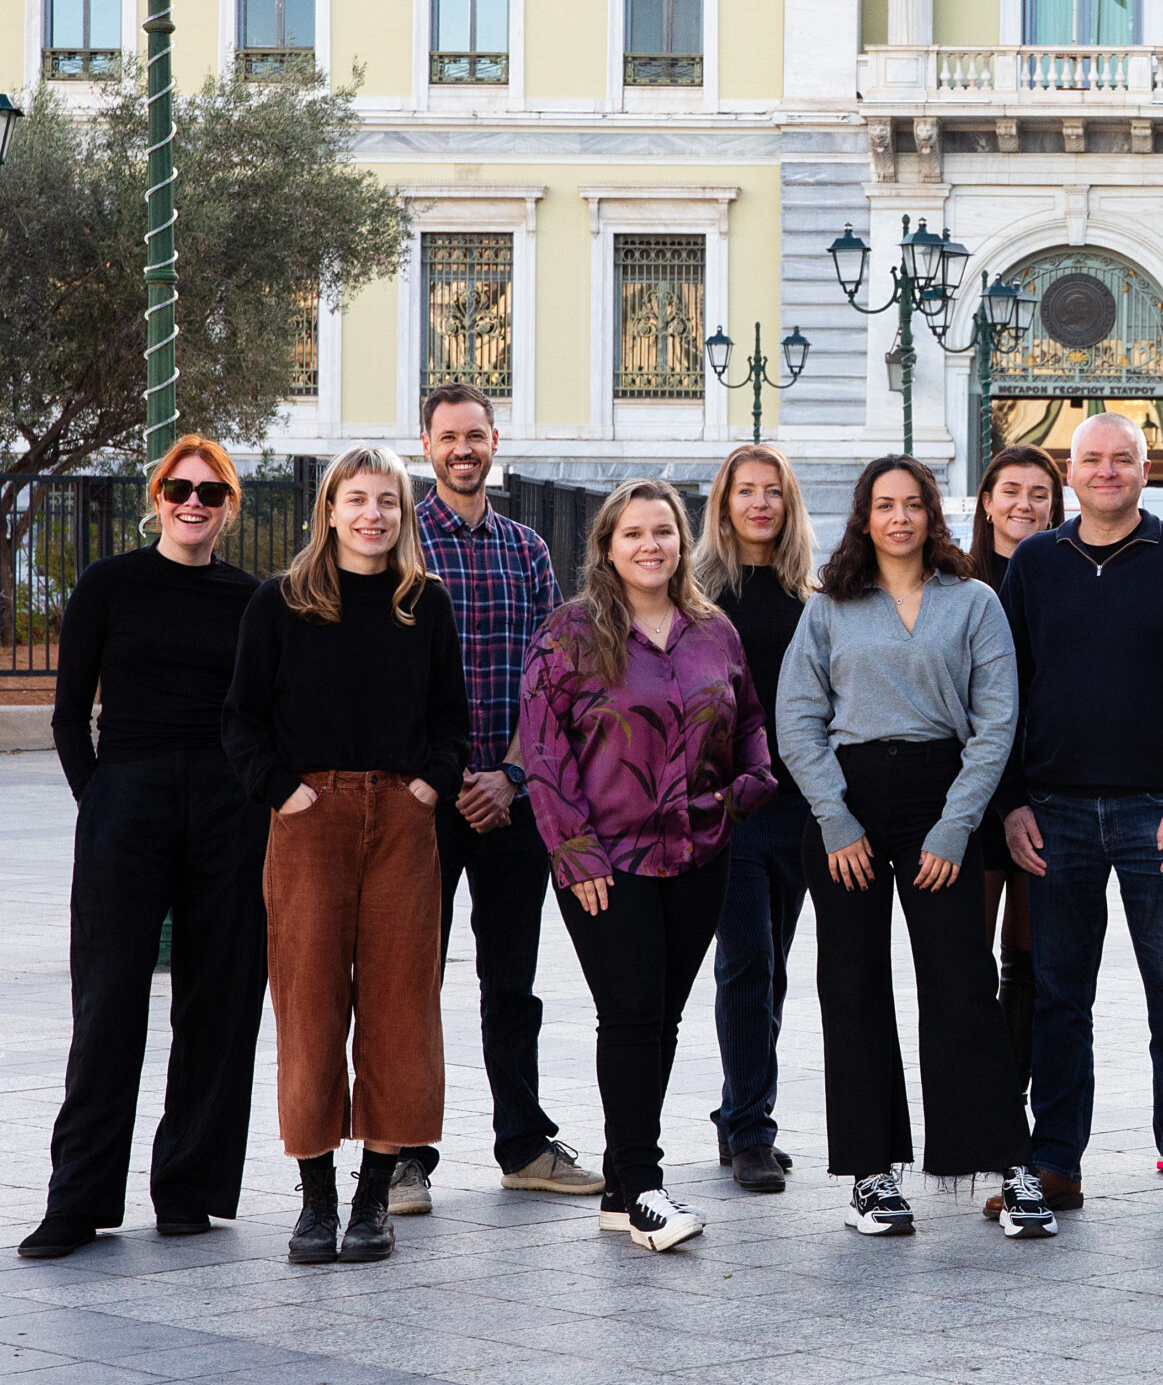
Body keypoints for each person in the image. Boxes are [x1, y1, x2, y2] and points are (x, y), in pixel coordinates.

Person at [776, 456, 1050, 1240]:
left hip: (943, 794)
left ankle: (1006, 1161)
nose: (900, 517)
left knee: (962, 981)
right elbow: (797, 717)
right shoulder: (830, 608)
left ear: (934, 515)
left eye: (914, 504)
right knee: (853, 983)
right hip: (848, 798)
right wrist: (834, 816)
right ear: (864, 517)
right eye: (884, 505)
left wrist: (957, 822)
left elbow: (998, 721)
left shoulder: (975, 602)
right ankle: (871, 1173)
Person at [21, 438, 268, 1261]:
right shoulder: (109, 584)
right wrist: (103, 796)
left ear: (230, 504)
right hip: (128, 797)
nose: (193, 502)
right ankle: (78, 1199)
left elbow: (269, 712)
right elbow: (66, 715)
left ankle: (188, 1189)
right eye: (178, 487)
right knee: (109, 1000)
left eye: (210, 490)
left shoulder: (253, 598)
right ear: (157, 496)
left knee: (219, 999)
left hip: (230, 806)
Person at [223, 446, 468, 1265]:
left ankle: (374, 1199)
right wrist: (288, 794)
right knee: (310, 1001)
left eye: (388, 502)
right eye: (357, 500)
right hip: (310, 818)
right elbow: (242, 721)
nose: (373, 515)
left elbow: (451, 719)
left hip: (402, 816)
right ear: (328, 510)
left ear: (403, 514)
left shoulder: (422, 603)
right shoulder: (280, 603)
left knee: (402, 1004)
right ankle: (315, 1199)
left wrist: (428, 789)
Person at [997, 412, 1163, 1221]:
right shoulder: (1035, 563)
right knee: (1060, 994)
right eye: (1092, 459)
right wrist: (1011, 805)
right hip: (1054, 812)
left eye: (1123, 459)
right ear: (1072, 472)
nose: (1107, 471)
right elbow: (1001, 696)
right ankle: (1056, 1160)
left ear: (1147, 470)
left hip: (1158, 812)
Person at [521, 479, 775, 1253]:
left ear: (682, 541)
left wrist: (743, 791)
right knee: (630, 1013)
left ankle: (621, 1183)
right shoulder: (570, 634)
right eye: (633, 533)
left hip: (699, 855)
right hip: (608, 862)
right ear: (607, 546)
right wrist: (573, 847)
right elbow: (541, 745)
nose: (650, 545)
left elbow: (752, 722)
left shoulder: (712, 630)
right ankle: (640, 1187)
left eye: (663, 531)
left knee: (658, 1018)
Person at [400, 384, 601, 1217]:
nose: (463, 448)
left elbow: (549, 678)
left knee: (511, 982)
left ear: (494, 442)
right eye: (449, 436)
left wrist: (512, 775)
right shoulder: (400, 542)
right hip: (424, 802)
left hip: (515, 802)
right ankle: (403, 1155)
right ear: (426, 443)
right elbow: (391, 682)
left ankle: (523, 1143)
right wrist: (454, 780)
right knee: (410, 979)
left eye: (476, 435)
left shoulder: (527, 550)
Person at [698, 442, 819, 1193]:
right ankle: (751, 1131)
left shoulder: (814, 595)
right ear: (724, 503)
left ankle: (736, 1111)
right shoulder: (698, 595)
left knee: (771, 972)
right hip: (730, 808)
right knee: (745, 962)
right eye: (746, 491)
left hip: (799, 804)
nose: (760, 504)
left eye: (773, 492)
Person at [970, 443, 1065, 1089]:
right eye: (1011, 490)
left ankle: (1014, 1098)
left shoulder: (1067, 576)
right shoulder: (955, 579)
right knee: (966, 958)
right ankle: (972, 1097)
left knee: (1028, 960)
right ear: (986, 501)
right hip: (971, 793)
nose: (1024, 503)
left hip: (1047, 790)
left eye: (1038, 492)